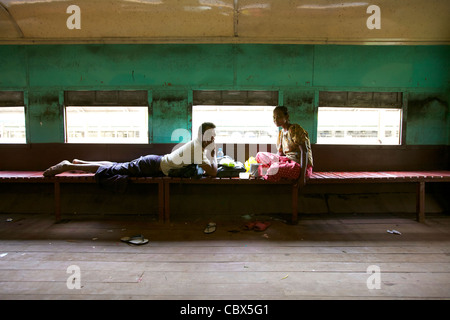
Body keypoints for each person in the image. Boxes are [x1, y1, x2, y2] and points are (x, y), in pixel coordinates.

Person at [43, 122, 218, 192]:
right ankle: (67, 165)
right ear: (204, 136)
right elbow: (213, 172)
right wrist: (215, 154)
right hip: (152, 166)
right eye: (212, 136)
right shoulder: (197, 149)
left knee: (117, 165)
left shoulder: (197, 144)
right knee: (113, 169)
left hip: (154, 162)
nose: (214, 139)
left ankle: (80, 163)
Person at [256, 106, 313, 186]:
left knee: (274, 169)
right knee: (259, 155)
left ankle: (270, 172)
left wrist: (302, 177)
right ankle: (272, 170)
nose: (275, 120)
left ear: (287, 116)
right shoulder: (282, 133)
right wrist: (274, 161)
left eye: (278, 116)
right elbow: (280, 154)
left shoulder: (295, 129)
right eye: (274, 117)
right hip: (287, 161)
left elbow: (305, 151)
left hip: (299, 166)